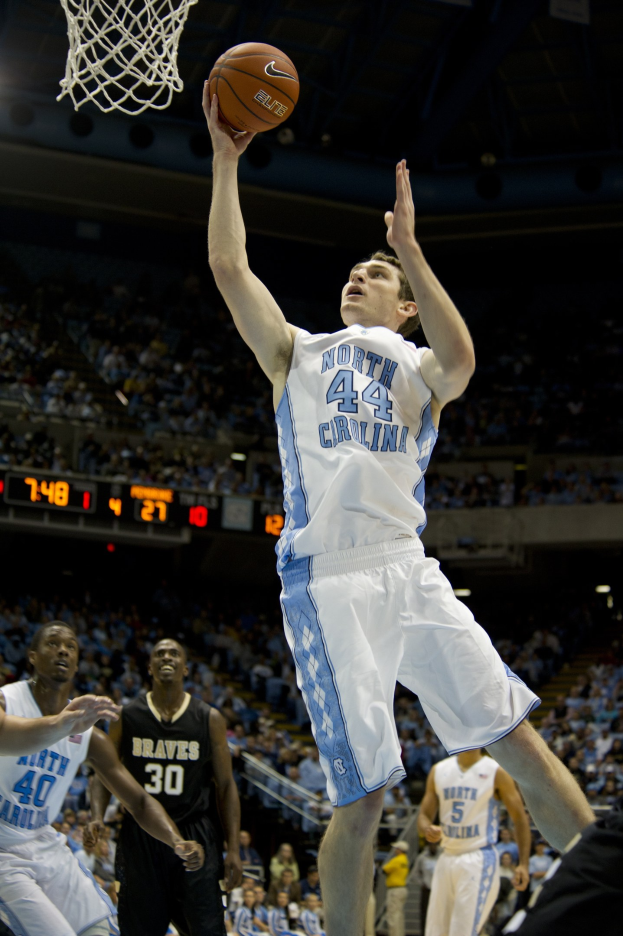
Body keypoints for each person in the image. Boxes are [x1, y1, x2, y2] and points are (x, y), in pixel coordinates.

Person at [204, 87, 594, 936]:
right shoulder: (296, 353)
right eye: (355, 271)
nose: (358, 276)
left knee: (517, 743)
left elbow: (462, 358)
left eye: (372, 275)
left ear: (403, 304)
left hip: (408, 569)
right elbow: (231, 271)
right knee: (366, 792)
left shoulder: (419, 366)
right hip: (331, 579)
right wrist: (227, 164)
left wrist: (407, 248)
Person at [0, 621, 204, 936]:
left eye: (70, 646)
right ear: (32, 656)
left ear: (78, 664)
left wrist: (176, 840)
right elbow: (7, 738)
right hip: (2, 850)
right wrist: (62, 724)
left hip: (43, 843)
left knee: (102, 930)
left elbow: (138, 801)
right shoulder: (7, 700)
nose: (62, 650)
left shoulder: (87, 734)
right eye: (52, 644)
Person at [89, 637, 242, 936]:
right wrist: (97, 814)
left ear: (186, 668)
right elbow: (103, 772)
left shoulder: (209, 719)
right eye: (159, 653)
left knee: (207, 929)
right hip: (141, 836)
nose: (166, 657)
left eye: (174, 653)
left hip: (195, 834)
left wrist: (233, 848)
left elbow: (225, 786)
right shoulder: (127, 716)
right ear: (149, 666)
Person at [417, 750, 531, 936]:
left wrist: (524, 863)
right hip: (446, 858)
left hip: (478, 858)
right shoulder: (439, 770)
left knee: (462, 932)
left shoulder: (496, 771)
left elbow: (520, 818)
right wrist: (427, 828)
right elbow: (423, 815)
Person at [381, 840, 410, 936]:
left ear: (400, 850)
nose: (394, 850)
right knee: (399, 916)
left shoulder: (397, 860)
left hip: (395, 890)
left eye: (396, 848)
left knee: (393, 916)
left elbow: (384, 869)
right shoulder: (405, 860)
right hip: (402, 889)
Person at [412, 841, 439, 933]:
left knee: (439, 915)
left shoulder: (441, 857)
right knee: (425, 915)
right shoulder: (422, 858)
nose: (433, 847)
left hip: (439, 891)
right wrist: (422, 882)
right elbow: (414, 874)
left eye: (435, 844)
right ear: (428, 845)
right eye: (431, 845)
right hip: (426, 890)